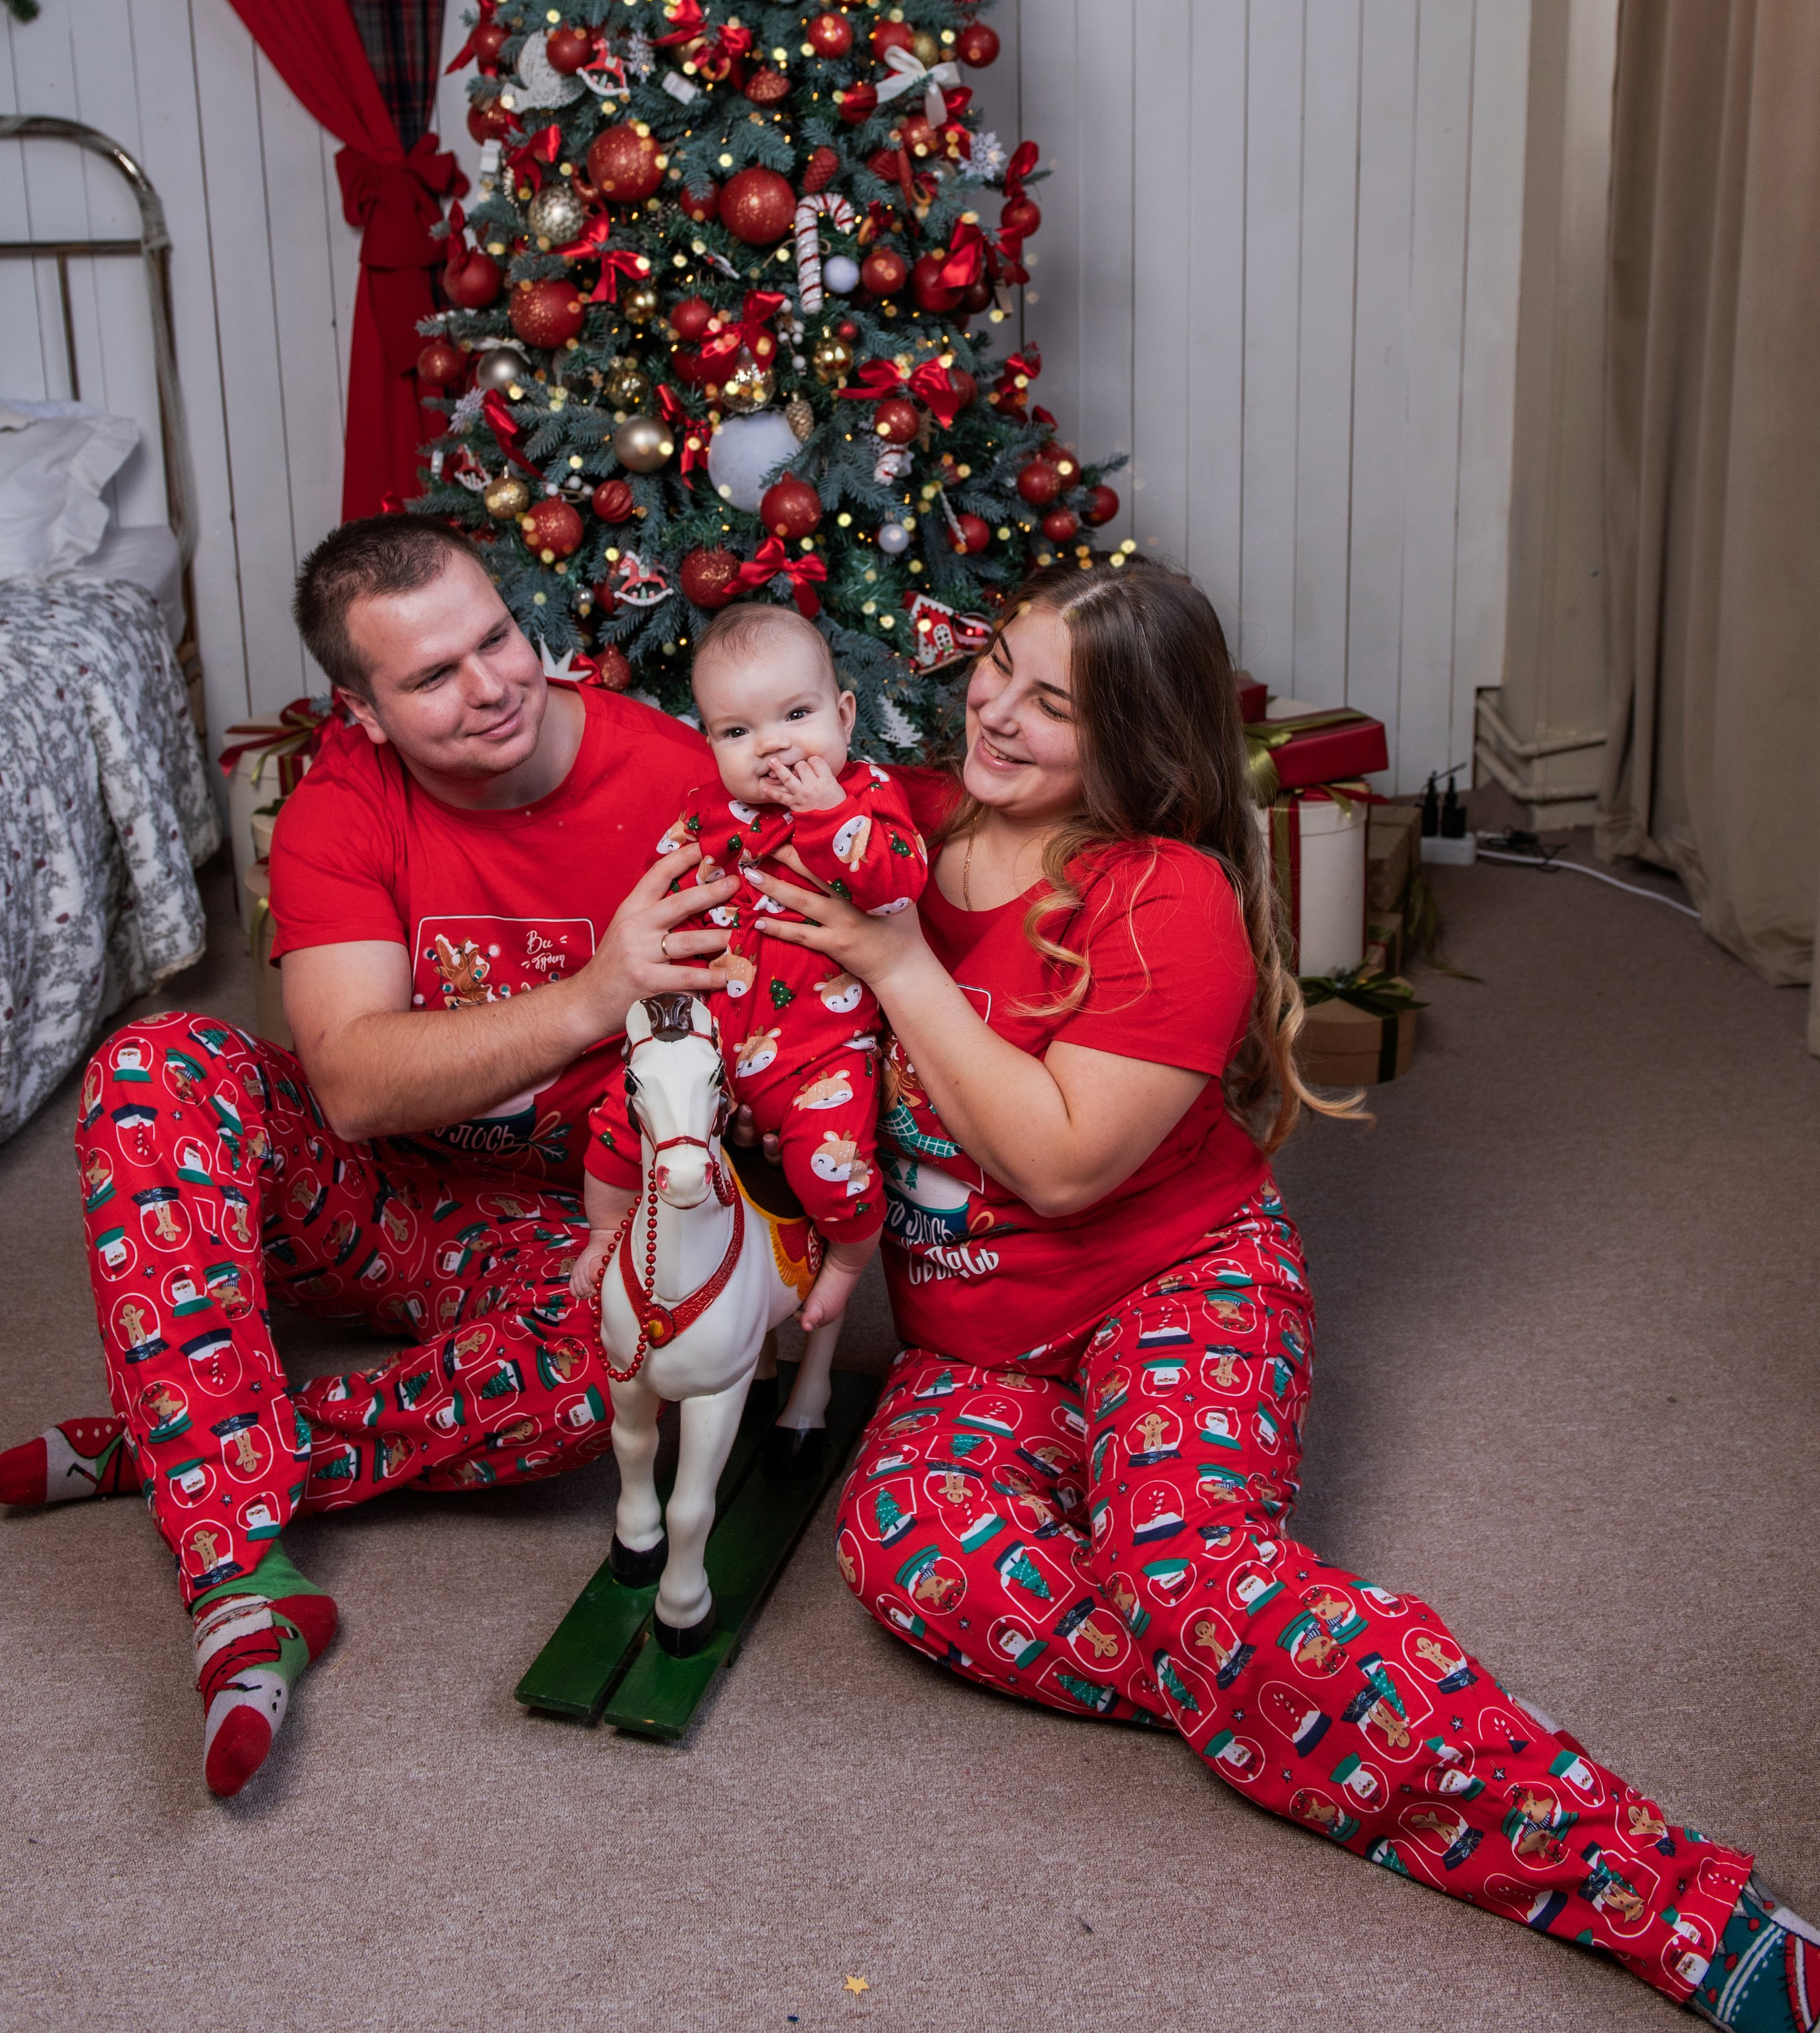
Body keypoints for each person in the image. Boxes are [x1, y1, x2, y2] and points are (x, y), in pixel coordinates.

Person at [744, 557, 1819, 2031]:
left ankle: (1685, 1908)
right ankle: (1255, 1663)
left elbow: (1060, 1169)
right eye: (995, 661)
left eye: (1054, 705)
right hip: (976, 1349)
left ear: (1134, 743)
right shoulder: (902, 826)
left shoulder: (1165, 901)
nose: (991, 708)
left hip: (1171, 1283)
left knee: (1188, 1573)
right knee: (907, 1555)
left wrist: (891, 960)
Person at [0, 515, 739, 1799]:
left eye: (497, 638)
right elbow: (348, 1087)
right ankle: (244, 1573)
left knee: (604, 1389)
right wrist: (592, 991)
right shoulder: (339, 800)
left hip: (575, 1216)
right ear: (365, 710)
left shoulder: (674, 779)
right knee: (156, 1061)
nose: (495, 685)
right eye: (434, 677)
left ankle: (181, 1434)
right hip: (371, 1195)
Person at [576, 602, 926, 1339]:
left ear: (845, 712)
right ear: (709, 740)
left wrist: (828, 814)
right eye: (737, 732)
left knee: (835, 1170)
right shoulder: (707, 809)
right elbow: (666, 884)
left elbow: (895, 885)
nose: (772, 747)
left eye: (796, 715)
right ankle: (606, 1228)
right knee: (617, 1113)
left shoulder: (866, 797)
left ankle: (847, 1261)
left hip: (816, 1052)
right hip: (704, 1035)